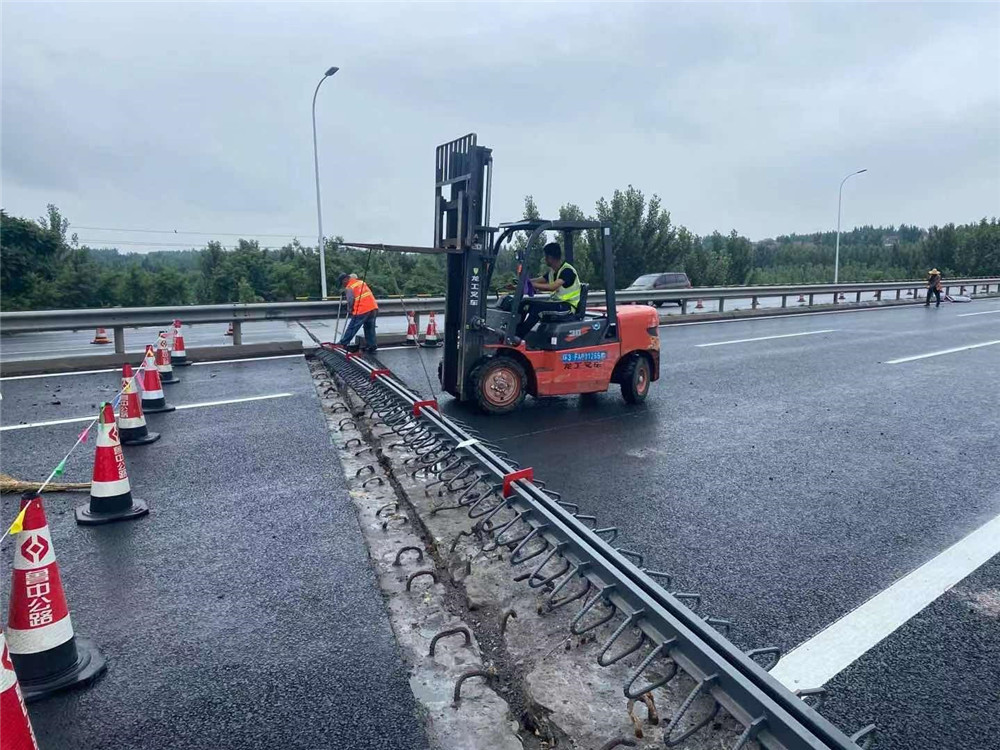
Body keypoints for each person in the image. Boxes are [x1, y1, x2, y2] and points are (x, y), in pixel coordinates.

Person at [515, 242, 581, 338]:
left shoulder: (567, 271)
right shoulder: (552, 272)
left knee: (538, 309)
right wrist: (518, 284)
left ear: (551, 257)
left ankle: (518, 336)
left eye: (546, 256)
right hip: (556, 304)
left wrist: (530, 284)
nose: (544, 259)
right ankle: (513, 331)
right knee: (525, 303)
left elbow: (552, 287)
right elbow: (536, 280)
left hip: (567, 307)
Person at [337, 272, 379, 351]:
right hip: (373, 307)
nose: (343, 285)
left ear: (345, 280)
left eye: (342, 283)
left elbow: (350, 300)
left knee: (352, 327)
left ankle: (343, 343)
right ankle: (372, 345)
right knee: (369, 328)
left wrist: (350, 309)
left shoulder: (349, 287)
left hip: (362, 309)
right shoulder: (361, 282)